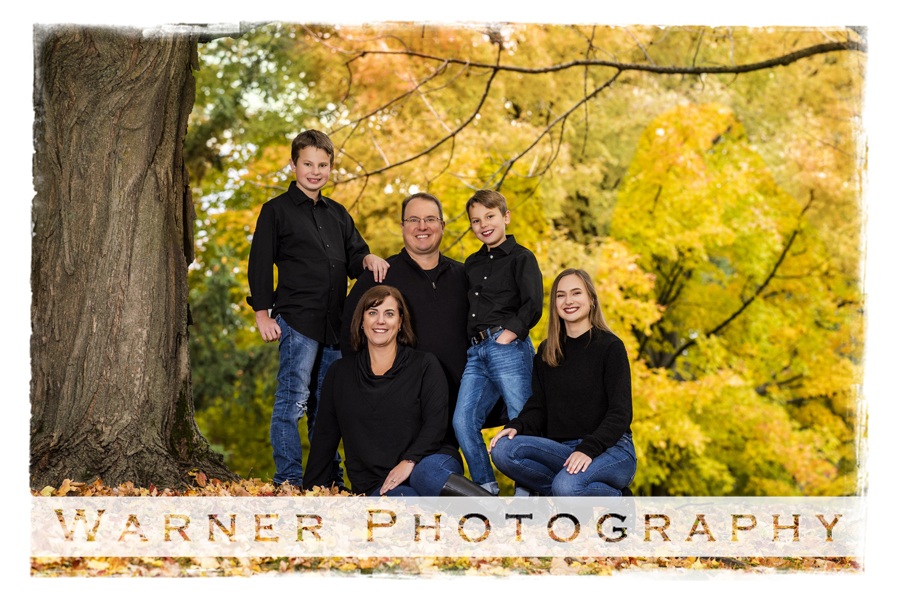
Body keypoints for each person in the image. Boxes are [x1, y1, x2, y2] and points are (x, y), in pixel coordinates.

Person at [246, 129, 389, 488]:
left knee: (327, 407)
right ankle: (289, 478)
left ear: (330, 167)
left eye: (322, 165)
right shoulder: (275, 210)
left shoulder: (338, 214)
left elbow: (356, 258)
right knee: (292, 401)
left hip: (335, 326)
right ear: (293, 165)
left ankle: (327, 478)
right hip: (297, 321)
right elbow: (260, 263)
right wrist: (262, 314)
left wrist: (368, 256)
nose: (315, 171)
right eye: (307, 164)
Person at [340, 192, 493, 496]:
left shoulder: (465, 277)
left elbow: (488, 336)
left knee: (432, 475)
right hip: (394, 422)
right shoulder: (381, 277)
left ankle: (486, 516)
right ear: (402, 226)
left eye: (430, 219)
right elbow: (351, 339)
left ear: (443, 225)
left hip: (450, 421)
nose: (422, 226)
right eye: (413, 219)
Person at [488, 268, 636, 497]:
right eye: (560, 295)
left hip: (612, 449)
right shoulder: (547, 351)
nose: (568, 301)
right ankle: (571, 493)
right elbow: (539, 408)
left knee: (566, 486)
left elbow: (621, 412)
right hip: (563, 450)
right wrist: (516, 426)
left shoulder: (610, 347)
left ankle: (617, 499)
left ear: (591, 300)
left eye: (576, 293)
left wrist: (588, 449)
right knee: (503, 449)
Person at [306, 286, 454, 496]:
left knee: (426, 475)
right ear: (361, 321)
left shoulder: (425, 365)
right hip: (377, 483)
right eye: (373, 312)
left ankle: (492, 515)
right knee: (405, 503)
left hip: (429, 460)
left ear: (400, 322)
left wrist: (409, 461)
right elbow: (324, 440)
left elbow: (436, 424)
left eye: (389, 314)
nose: (380, 321)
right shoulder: (339, 373)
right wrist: (306, 500)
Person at [453, 189, 543, 495]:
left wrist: (507, 336)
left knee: (522, 422)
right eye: (476, 220)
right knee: (463, 421)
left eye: (489, 216)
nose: (483, 224)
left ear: (505, 217)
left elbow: (533, 304)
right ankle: (486, 490)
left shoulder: (522, 257)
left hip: (507, 346)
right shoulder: (472, 263)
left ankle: (527, 498)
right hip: (476, 353)